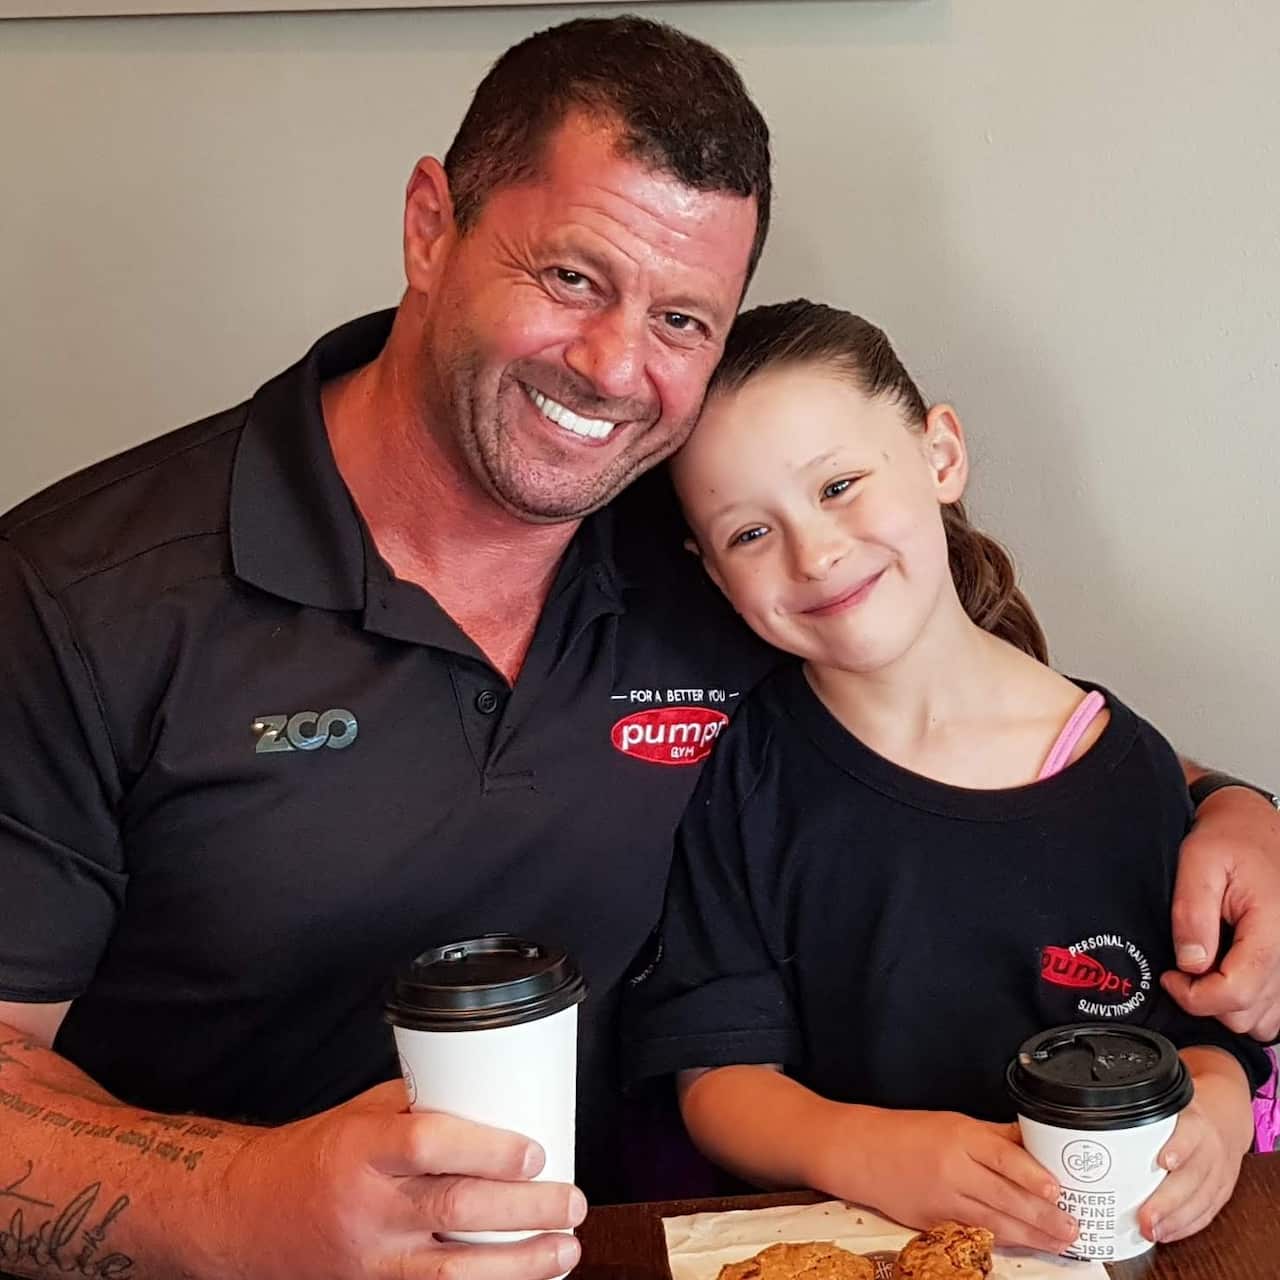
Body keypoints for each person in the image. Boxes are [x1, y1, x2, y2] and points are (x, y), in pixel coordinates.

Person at [0, 15, 1277, 1280]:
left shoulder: (710, 553)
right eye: (570, 276)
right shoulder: (79, 601)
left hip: (636, 1246)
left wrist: (1228, 810)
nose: (615, 367)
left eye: (683, 318)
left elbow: (970, 742)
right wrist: (244, 1202)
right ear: (431, 225)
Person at [623, 300, 1272, 1254]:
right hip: (855, 1246)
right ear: (714, 575)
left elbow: (1205, 1036)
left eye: (839, 484)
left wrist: (1215, 1109)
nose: (816, 552)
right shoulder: (744, 774)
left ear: (940, 455)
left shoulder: (1123, 766)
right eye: (749, 535)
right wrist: (869, 1150)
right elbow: (718, 1081)